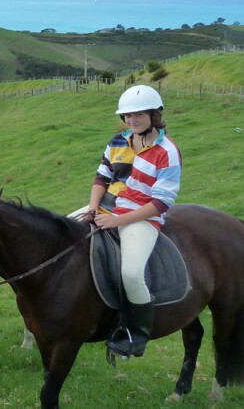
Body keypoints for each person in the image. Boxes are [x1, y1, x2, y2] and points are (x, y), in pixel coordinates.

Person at [90, 85, 181, 359]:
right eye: (128, 115)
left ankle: (137, 335)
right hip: (113, 206)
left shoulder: (168, 151)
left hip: (144, 217)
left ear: (155, 114)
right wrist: (94, 209)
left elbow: (161, 203)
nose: (132, 120)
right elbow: (102, 177)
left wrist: (118, 220)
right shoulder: (122, 141)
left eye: (139, 115)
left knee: (131, 273)